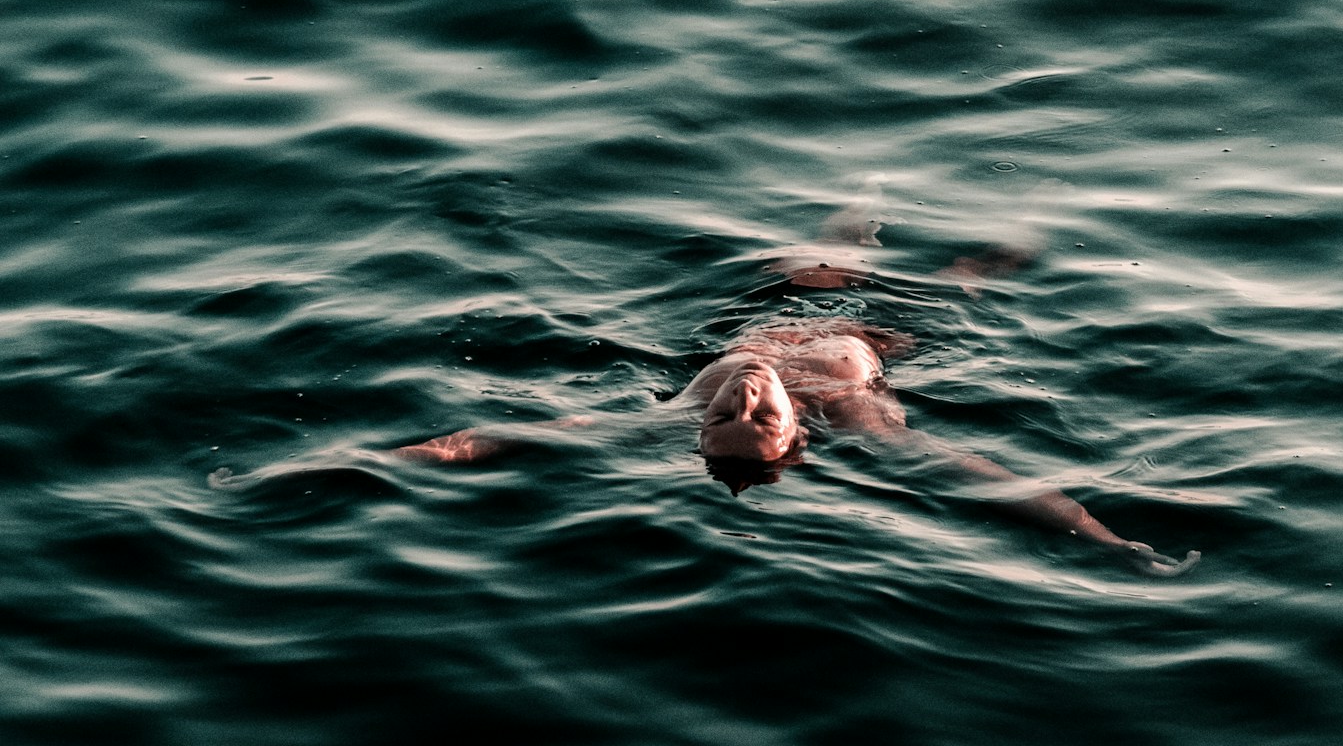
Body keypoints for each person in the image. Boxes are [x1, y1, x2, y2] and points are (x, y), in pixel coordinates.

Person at [213, 193, 1200, 578]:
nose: (748, 397)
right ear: (788, 438)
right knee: (978, 269)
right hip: (881, 337)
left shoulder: (669, 412)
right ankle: (1054, 213)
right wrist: (1115, 543)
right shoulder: (850, 416)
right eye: (753, 412)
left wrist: (303, 469)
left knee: (829, 245)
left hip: (758, 309)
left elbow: (467, 445)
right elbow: (996, 483)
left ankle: (862, 206)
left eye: (731, 408)